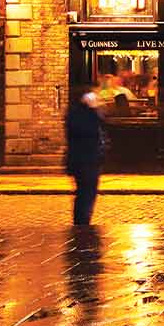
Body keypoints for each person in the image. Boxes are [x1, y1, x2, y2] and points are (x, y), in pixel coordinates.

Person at [65, 88, 106, 225]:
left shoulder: (77, 112)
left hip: (88, 160)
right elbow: (88, 132)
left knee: (86, 194)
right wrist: (94, 111)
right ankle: (82, 224)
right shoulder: (81, 115)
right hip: (85, 161)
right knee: (85, 194)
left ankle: (82, 222)